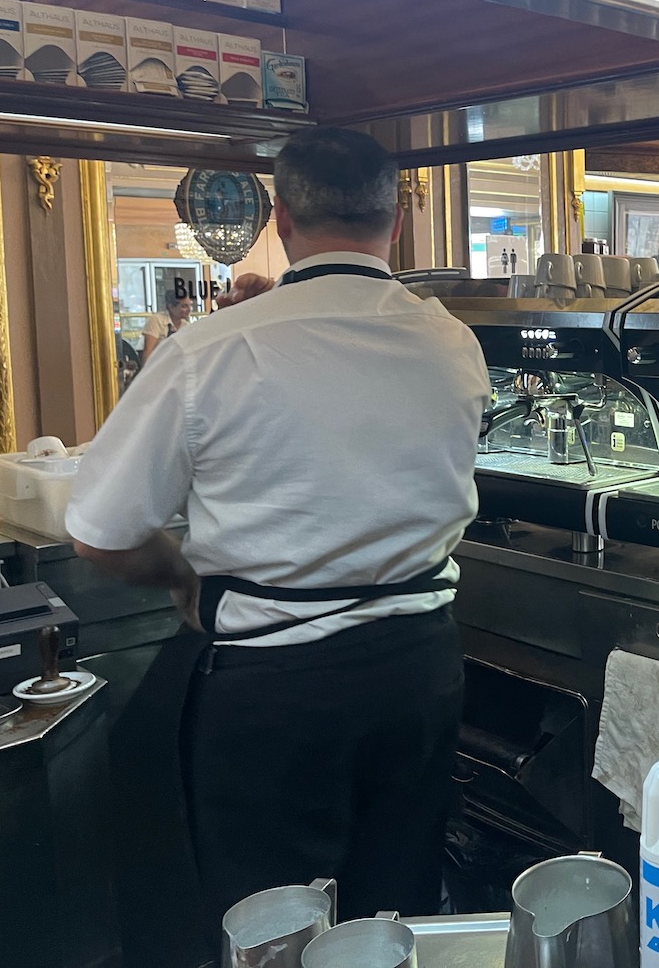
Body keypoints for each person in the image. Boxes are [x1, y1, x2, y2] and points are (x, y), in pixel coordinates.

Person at [64, 126, 491, 963]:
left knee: (274, 934)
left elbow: (99, 534)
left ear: (284, 221)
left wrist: (181, 577)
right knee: (393, 916)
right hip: (420, 673)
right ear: (395, 222)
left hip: (276, 695)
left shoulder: (211, 350)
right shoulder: (453, 340)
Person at [141, 287, 194, 364]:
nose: (189, 309)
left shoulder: (186, 325)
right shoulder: (156, 320)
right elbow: (148, 352)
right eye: (184, 306)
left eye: (190, 305)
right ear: (171, 307)